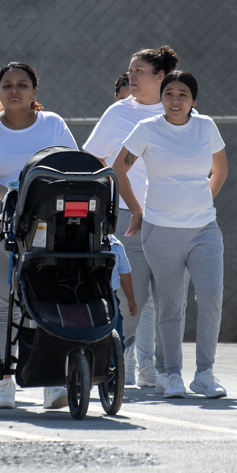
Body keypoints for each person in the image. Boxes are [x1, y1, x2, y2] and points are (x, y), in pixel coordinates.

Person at [0, 61, 78, 410]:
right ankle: (3, 381)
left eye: (22, 84)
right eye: (7, 84)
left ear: (34, 91)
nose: (14, 90)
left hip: (44, 230)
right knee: (1, 305)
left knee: (45, 301)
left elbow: (71, 163)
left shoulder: (53, 124)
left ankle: (52, 380)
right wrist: (10, 193)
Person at [115, 70, 228, 400]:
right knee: (170, 304)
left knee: (210, 297)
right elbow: (119, 168)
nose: (175, 100)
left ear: (194, 100)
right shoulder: (146, 129)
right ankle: (171, 374)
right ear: (162, 98)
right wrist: (136, 210)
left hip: (204, 230)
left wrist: (203, 199)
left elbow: (220, 169)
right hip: (160, 230)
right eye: (169, 94)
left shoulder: (206, 126)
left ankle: (205, 374)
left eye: (182, 94)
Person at [84, 47, 180, 388]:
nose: (131, 77)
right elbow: (91, 160)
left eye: (139, 71)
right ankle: (115, 359)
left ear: (160, 77)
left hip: (171, 218)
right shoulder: (117, 113)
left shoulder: (178, 112)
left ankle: (167, 372)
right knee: (130, 299)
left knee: (169, 300)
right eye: (129, 71)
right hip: (125, 218)